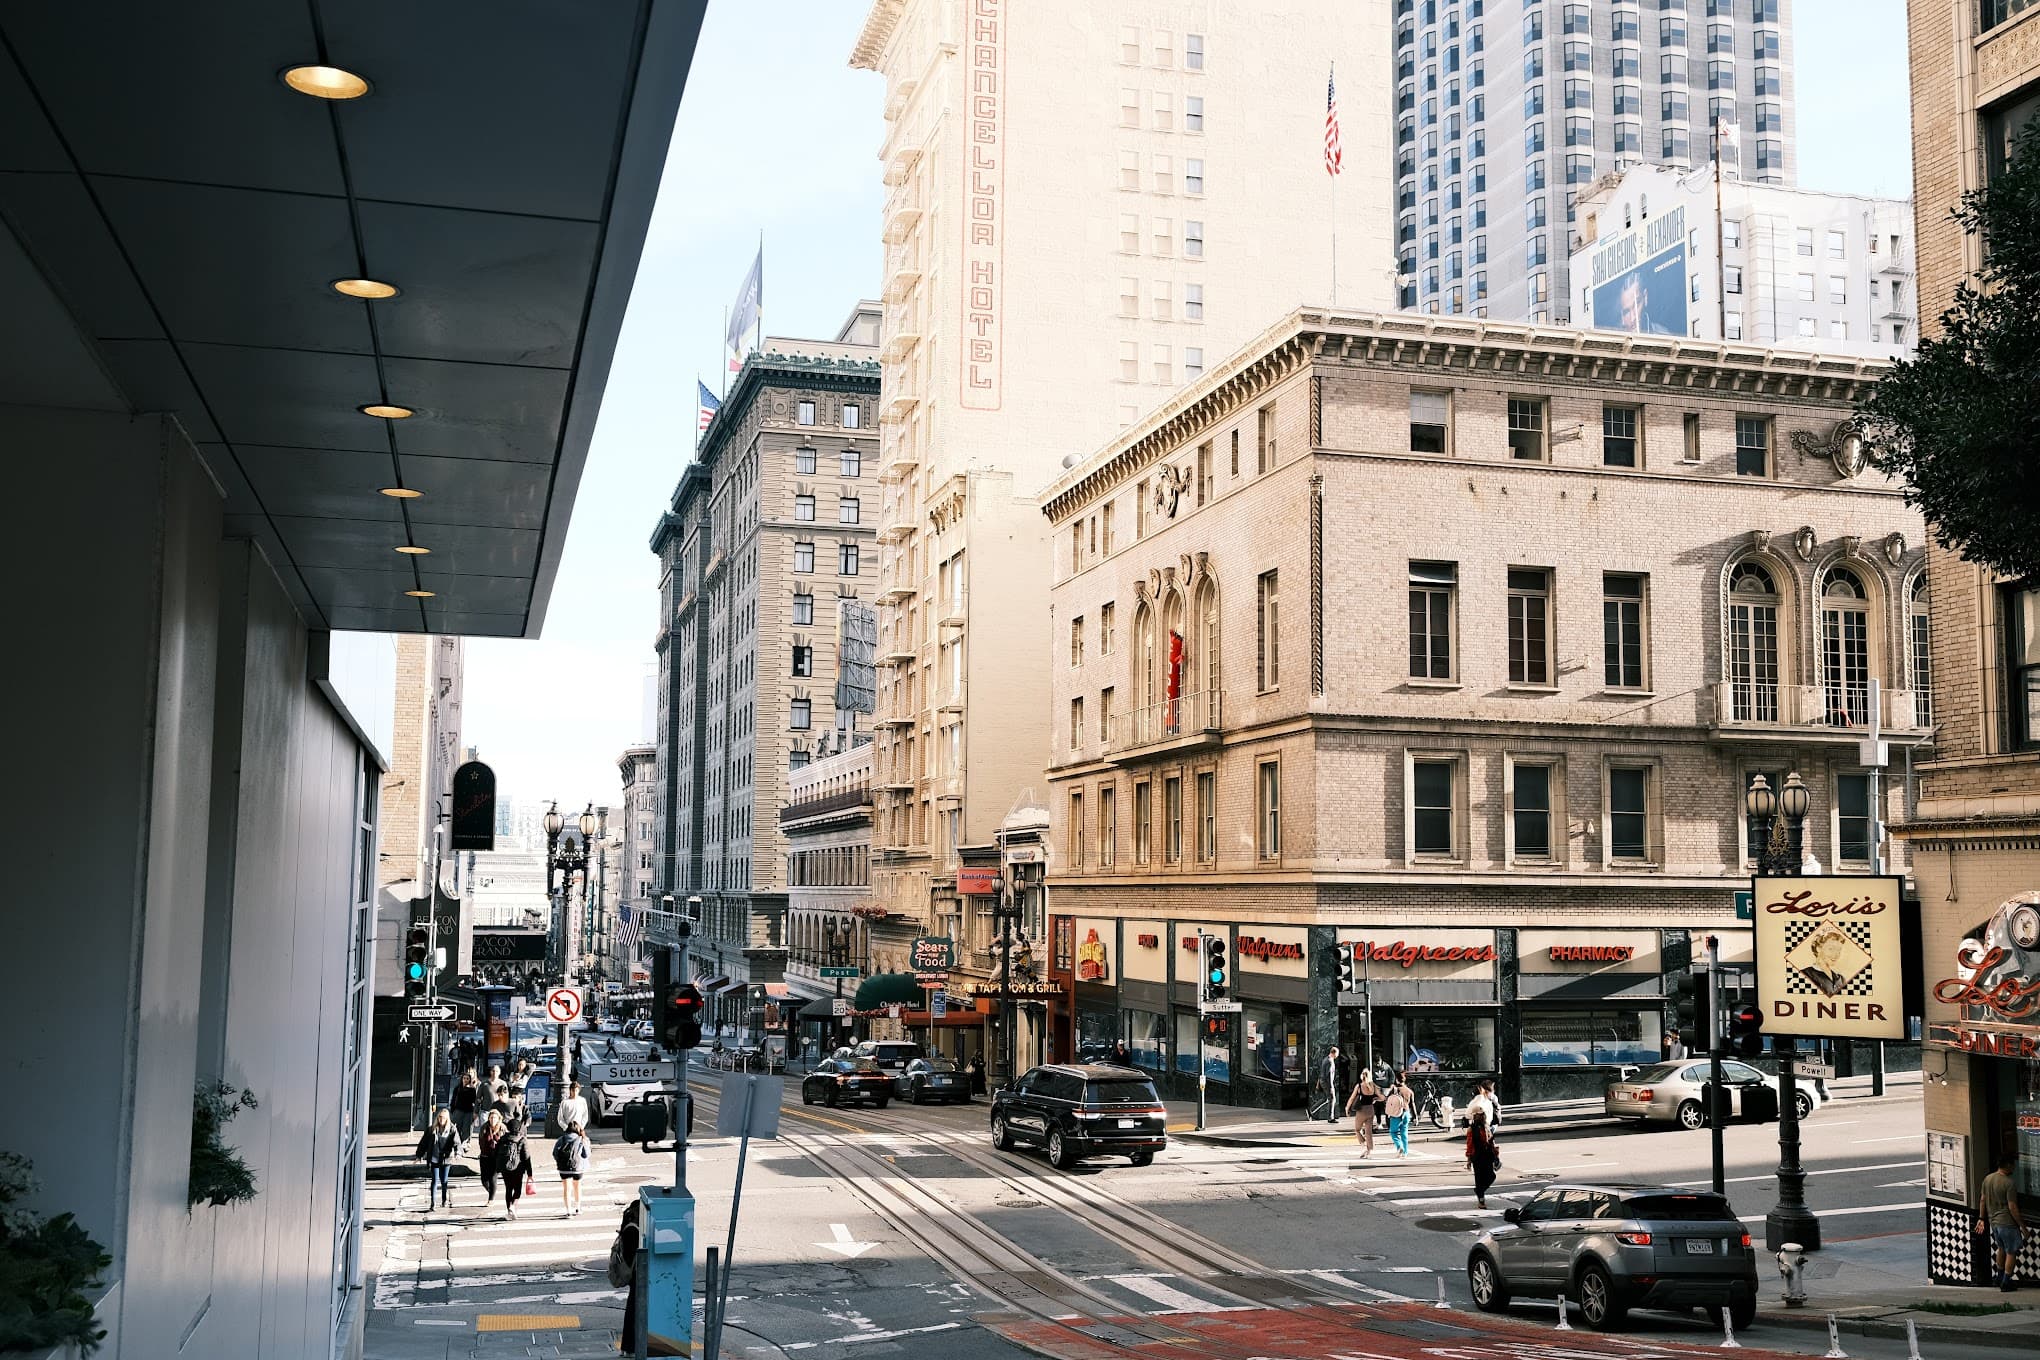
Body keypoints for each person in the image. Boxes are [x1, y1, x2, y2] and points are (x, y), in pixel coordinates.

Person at [1980, 1149, 2029, 1291]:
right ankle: (2006, 1282)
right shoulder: (2009, 1183)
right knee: (2011, 1252)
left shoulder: (1988, 1179)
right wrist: (2023, 1227)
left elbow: (1982, 1200)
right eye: (2012, 1164)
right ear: (2007, 1165)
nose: (2014, 1167)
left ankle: (1999, 1277)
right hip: (2007, 1222)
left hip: (1993, 1222)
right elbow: (2012, 1207)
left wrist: (1981, 1218)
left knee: (2001, 1248)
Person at [414, 1107, 462, 1211]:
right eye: (440, 1117)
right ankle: (433, 1203)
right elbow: (423, 1143)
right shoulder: (432, 1129)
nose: (441, 1119)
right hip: (434, 1158)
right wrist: (419, 1155)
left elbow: (457, 1142)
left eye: (444, 1118)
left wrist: (458, 1153)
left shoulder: (452, 1129)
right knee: (435, 1180)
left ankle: (444, 1199)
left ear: (447, 1118)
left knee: (444, 1181)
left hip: (446, 1159)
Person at [1465, 1106, 1501, 1209]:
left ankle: (1479, 1191)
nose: (1481, 1117)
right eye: (1479, 1115)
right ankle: (1481, 1200)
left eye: (1482, 1115)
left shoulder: (1486, 1126)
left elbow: (1491, 1141)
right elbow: (1469, 1145)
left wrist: (1495, 1154)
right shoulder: (1471, 1129)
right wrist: (1469, 1160)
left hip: (1487, 1155)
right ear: (1475, 1116)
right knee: (1479, 1179)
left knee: (1491, 1176)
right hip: (1477, 1157)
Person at [554, 1120, 591, 1216]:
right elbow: (586, 1154)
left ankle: (568, 1211)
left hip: (563, 1168)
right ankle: (578, 1208)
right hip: (577, 1168)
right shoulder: (581, 1139)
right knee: (577, 1187)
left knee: (567, 1189)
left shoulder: (561, 1139)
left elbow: (554, 1153)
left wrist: (560, 1161)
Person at [498, 1108, 530, 1220]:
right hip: (518, 1168)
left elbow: (497, 1154)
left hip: (505, 1168)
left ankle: (508, 1211)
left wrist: (498, 1168)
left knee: (508, 1188)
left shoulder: (502, 1139)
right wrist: (529, 1172)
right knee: (517, 1189)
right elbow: (526, 1157)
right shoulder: (522, 1140)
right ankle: (513, 1206)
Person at [476, 1110, 508, 1207]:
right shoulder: (484, 1128)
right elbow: (480, 1140)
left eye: (495, 1118)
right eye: (491, 1117)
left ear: (499, 1119)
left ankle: (491, 1199)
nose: (492, 1119)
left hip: (497, 1157)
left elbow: (506, 1142)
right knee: (484, 1180)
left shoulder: (502, 1129)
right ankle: (492, 1192)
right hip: (485, 1156)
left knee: (492, 1178)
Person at [1346, 1069, 1379, 1155]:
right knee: (1368, 1132)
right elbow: (1382, 1097)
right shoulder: (1373, 1086)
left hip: (1361, 1110)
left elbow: (1352, 1098)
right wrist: (1376, 1099)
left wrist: (1347, 1108)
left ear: (1362, 1076)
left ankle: (1363, 1144)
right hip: (1371, 1109)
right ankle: (1369, 1150)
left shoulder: (1359, 1086)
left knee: (1357, 1129)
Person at [1384, 1073, 1413, 1158]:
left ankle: (1399, 1146)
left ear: (1397, 1079)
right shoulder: (1409, 1091)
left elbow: (1388, 1099)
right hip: (1407, 1113)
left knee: (1393, 1132)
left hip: (1396, 1114)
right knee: (1404, 1133)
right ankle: (1405, 1152)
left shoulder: (1395, 1089)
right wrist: (1416, 1117)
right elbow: (1413, 1104)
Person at [450, 1070, 481, 1143]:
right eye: (464, 1078)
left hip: (468, 1112)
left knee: (466, 1128)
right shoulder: (457, 1088)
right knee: (456, 1127)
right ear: (462, 1079)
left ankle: (464, 1142)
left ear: (470, 1080)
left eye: (467, 1078)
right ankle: (456, 1142)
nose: (466, 1080)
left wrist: (475, 1111)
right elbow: (453, 1099)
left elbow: (474, 1101)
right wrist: (452, 1110)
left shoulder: (472, 1090)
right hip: (458, 1110)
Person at [1320, 1046, 1343, 1125]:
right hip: (1327, 1083)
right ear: (1334, 1053)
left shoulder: (1326, 1059)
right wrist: (1331, 1086)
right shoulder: (1330, 1061)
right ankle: (1331, 1117)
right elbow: (1329, 1075)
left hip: (1323, 1081)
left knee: (1325, 1099)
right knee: (1332, 1099)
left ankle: (1312, 1110)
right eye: (1337, 1053)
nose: (1338, 1055)